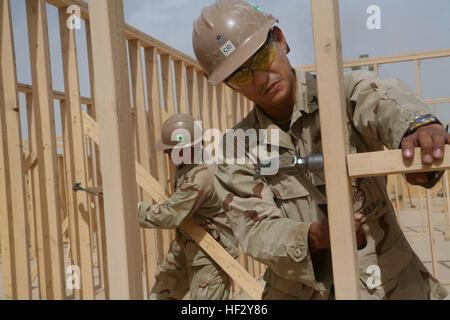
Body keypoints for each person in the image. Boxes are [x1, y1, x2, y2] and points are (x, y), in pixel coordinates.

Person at [192, 0, 449, 300]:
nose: (261, 78)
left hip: (387, 283)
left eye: (261, 57)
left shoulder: (340, 94)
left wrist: (417, 126)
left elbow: (379, 99)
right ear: (231, 87)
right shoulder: (236, 148)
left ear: (280, 40)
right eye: (241, 75)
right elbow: (254, 232)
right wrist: (313, 236)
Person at [137, 113, 239, 300]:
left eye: (170, 150)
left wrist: (132, 211)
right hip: (186, 244)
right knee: (161, 294)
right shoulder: (187, 163)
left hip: (210, 255)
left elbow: (170, 215)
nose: (166, 154)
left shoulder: (201, 177)